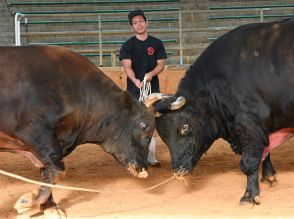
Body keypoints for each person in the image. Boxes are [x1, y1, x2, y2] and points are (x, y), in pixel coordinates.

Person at [119, 9, 167, 167]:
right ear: (131, 27)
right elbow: (127, 67)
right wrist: (135, 80)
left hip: (151, 90)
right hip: (134, 90)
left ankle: (151, 157)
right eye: (135, 23)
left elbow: (161, 64)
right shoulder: (127, 45)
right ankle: (133, 156)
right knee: (134, 123)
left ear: (147, 23)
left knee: (151, 122)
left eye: (141, 21)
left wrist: (151, 74)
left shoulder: (156, 43)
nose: (138, 25)